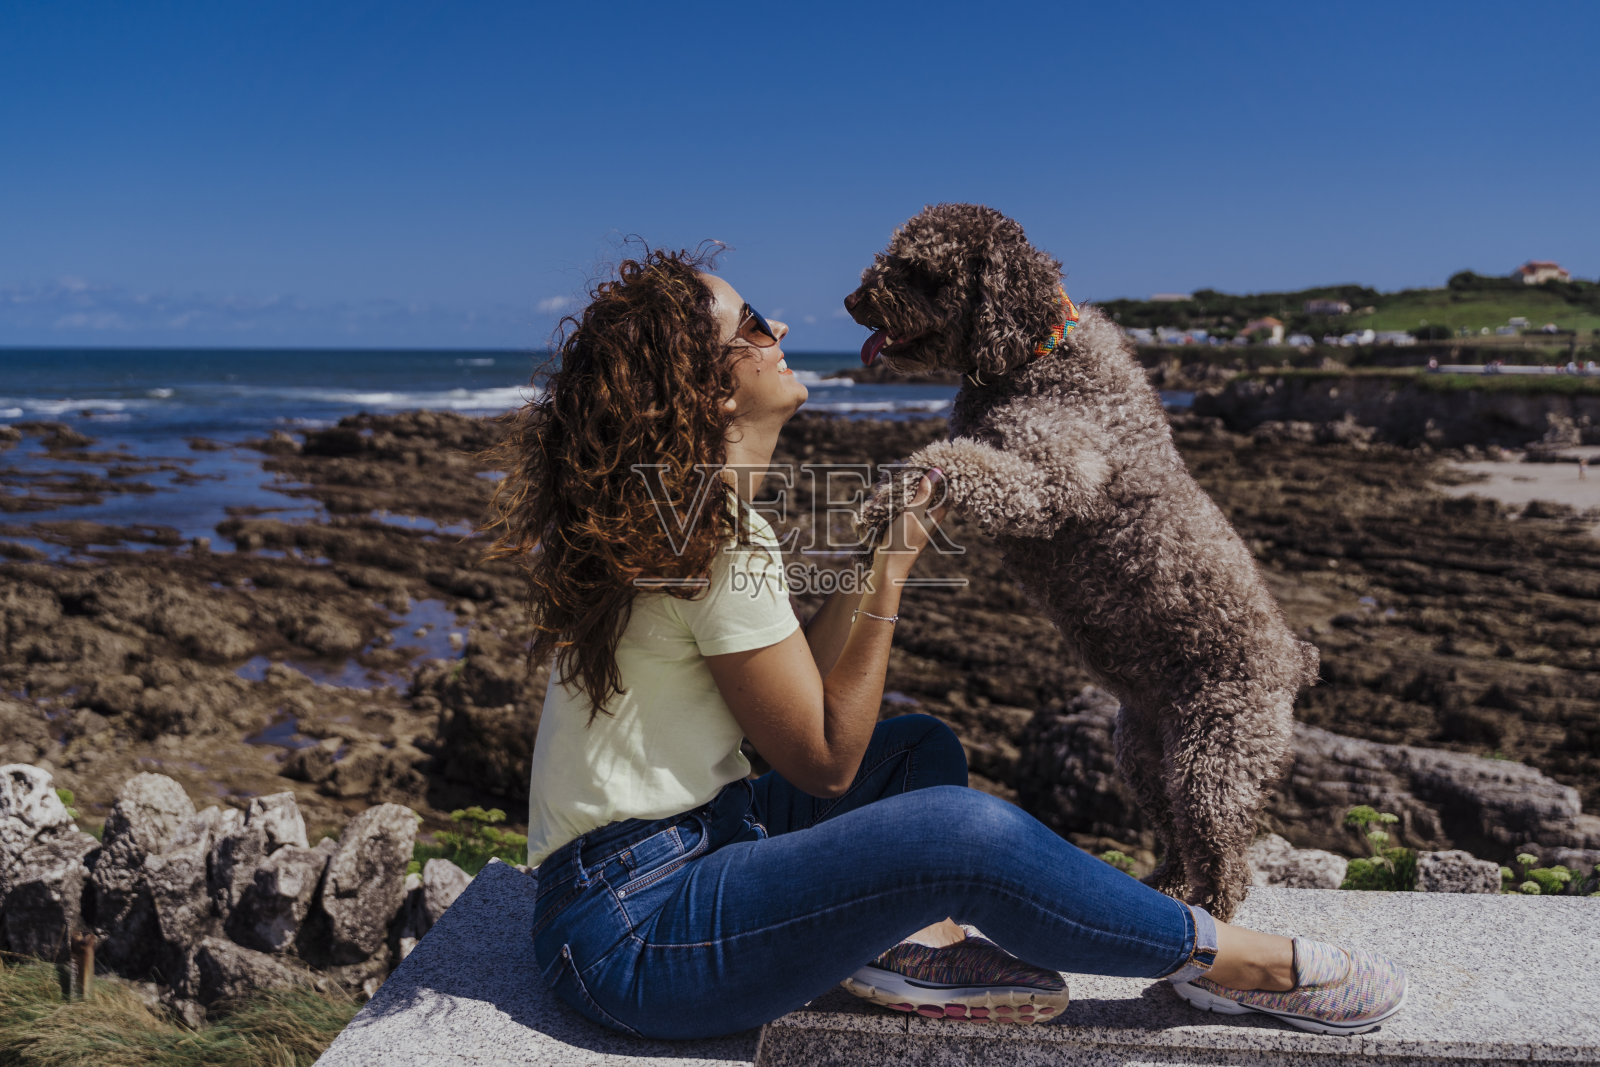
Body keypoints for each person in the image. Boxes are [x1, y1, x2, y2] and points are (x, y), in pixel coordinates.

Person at [483, 246, 1407, 1041]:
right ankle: (1231, 959)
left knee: (920, 749)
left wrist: (879, 550)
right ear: (708, 385)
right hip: (634, 935)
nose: (783, 332)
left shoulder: (670, 509)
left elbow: (793, 693)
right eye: (756, 325)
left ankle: (912, 951)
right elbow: (824, 765)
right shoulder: (713, 533)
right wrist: (890, 575)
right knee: (961, 833)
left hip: (666, 859)